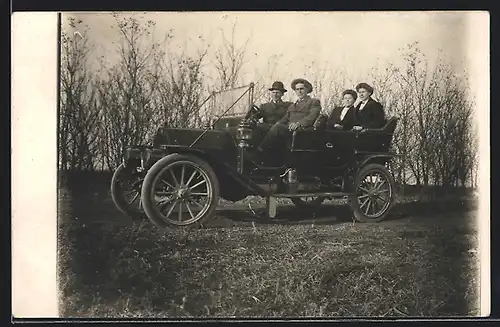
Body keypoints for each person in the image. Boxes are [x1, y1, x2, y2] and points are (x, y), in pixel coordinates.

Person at [257, 78, 321, 153]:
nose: (299, 91)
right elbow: (285, 118)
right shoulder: (293, 105)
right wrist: (277, 123)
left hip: (301, 131)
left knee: (277, 128)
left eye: (301, 89)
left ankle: (261, 150)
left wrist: (298, 124)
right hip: (289, 128)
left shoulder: (313, 102)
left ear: (307, 89)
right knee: (260, 126)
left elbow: (312, 117)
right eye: (297, 89)